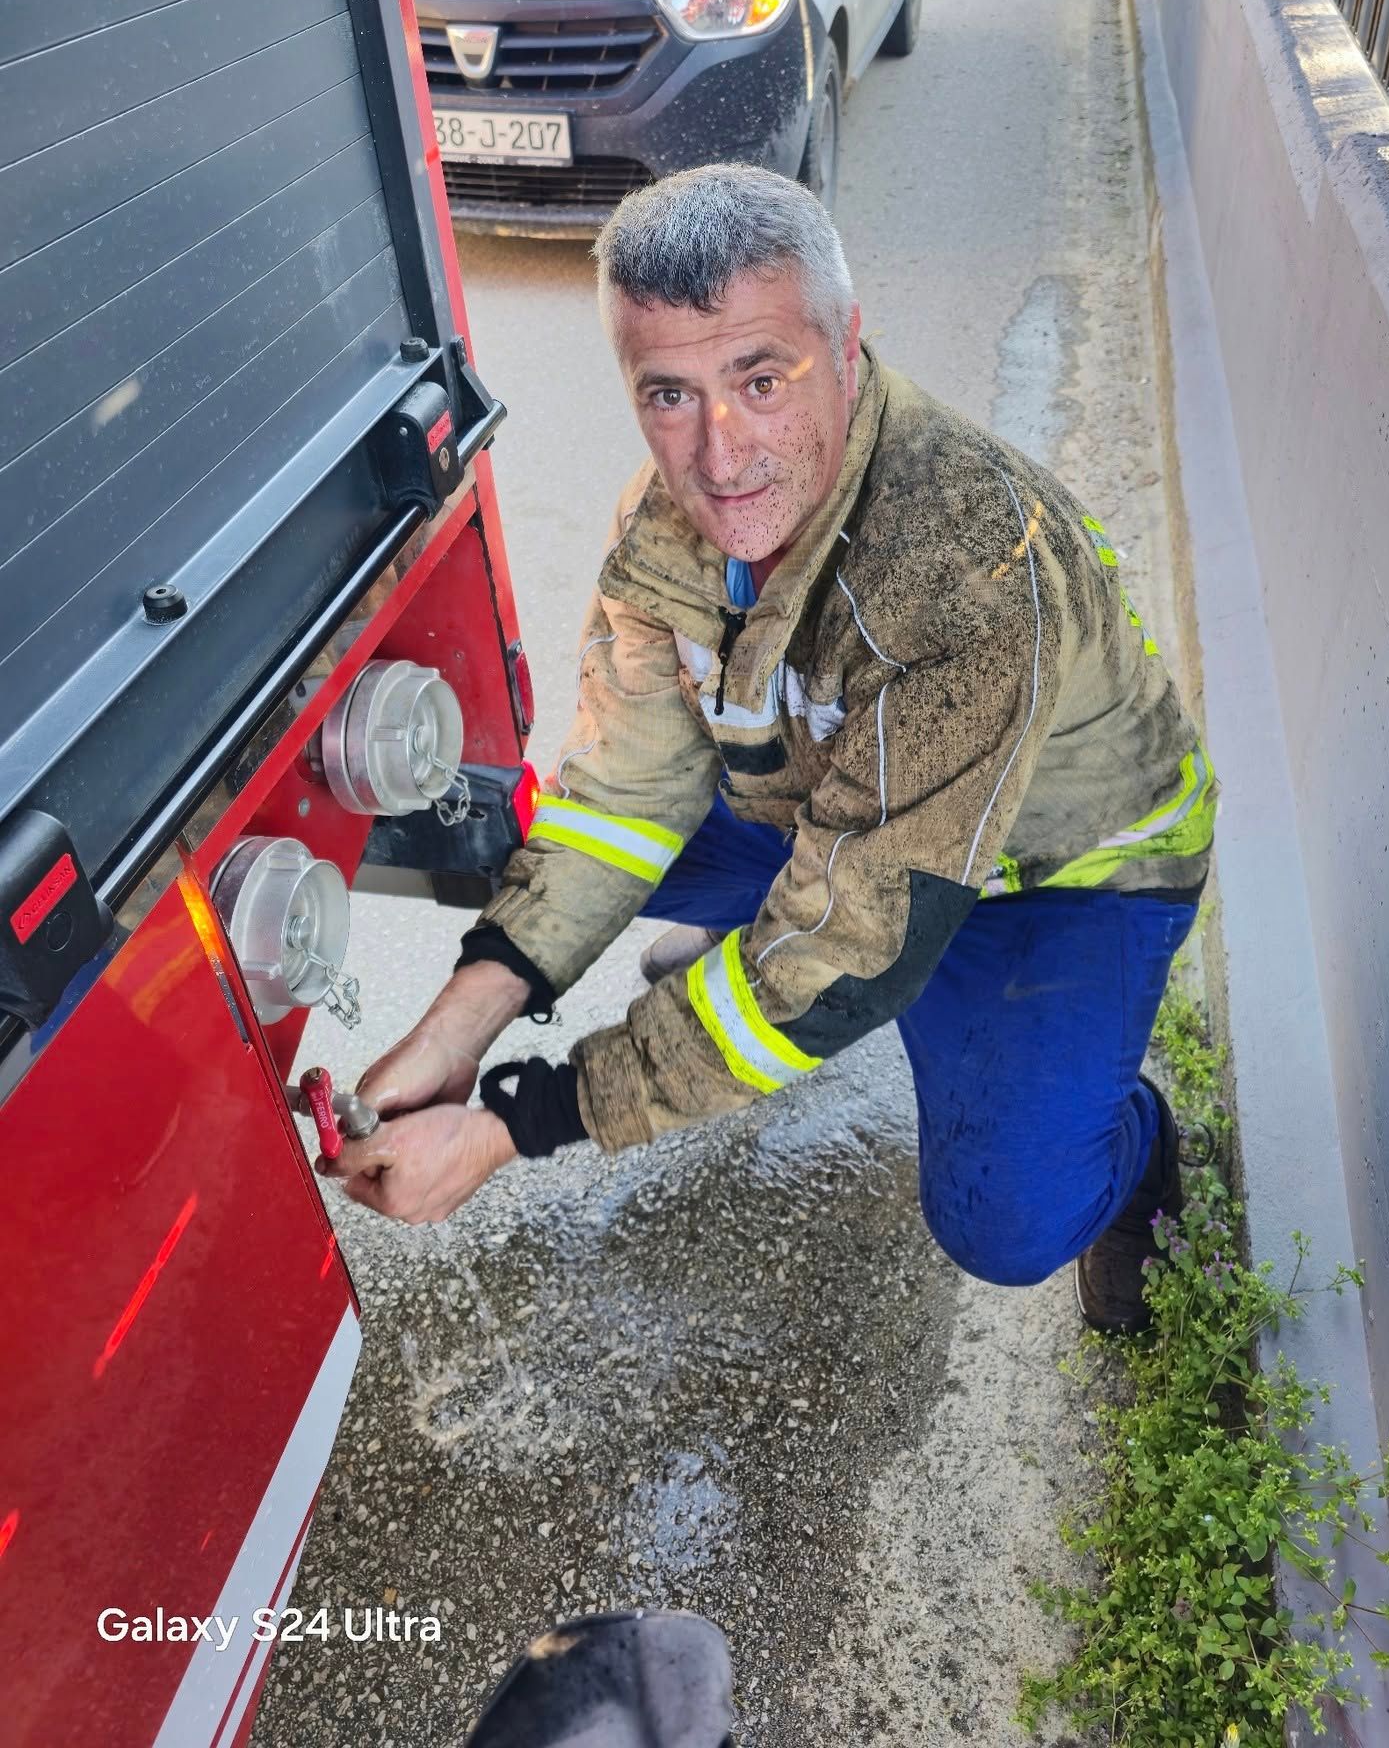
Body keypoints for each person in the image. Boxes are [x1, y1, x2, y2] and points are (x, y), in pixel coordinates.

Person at [324, 165, 1215, 1332]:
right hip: (834, 807)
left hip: (1055, 875)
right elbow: (622, 794)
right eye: (670, 393)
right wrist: (458, 1025)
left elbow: (851, 941)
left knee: (1008, 1219)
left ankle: (1132, 1145)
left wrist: (510, 1122)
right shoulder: (667, 524)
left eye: (761, 378)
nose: (719, 453)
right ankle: (753, 953)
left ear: (846, 347)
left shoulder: (962, 572)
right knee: (536, 831)